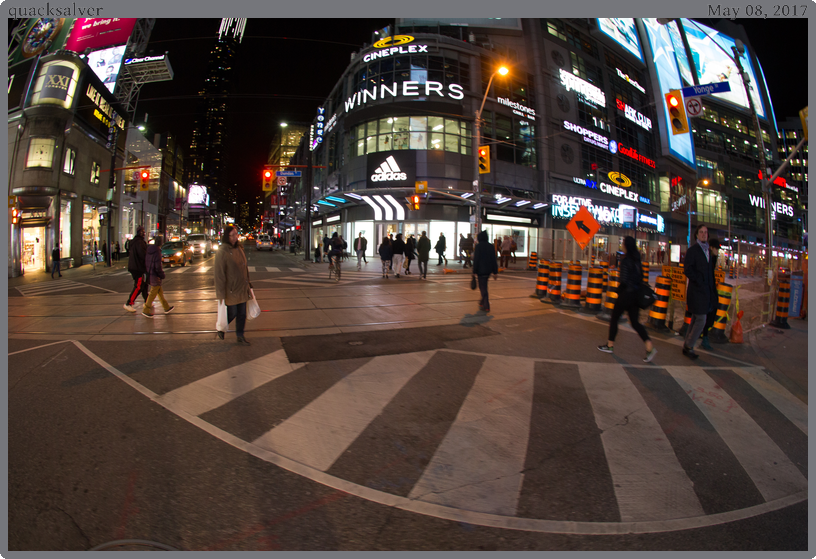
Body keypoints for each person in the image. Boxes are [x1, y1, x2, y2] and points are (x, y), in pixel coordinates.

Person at [597, 236, 658, 362]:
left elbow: (624, 281)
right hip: (635, 295)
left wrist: (617, 290)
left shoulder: (625, 260)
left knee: (614, 318)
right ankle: (649, 346)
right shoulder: (637, 259)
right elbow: (640, 277)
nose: (622, 246)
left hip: (626, 295)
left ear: (626, 246)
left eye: (623, 244)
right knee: (635, 322)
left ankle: (610, 345)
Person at [214, 226, 252, 345]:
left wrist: (249, 284)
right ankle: (221, 328)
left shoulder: (240, 248)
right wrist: (220, 293)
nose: (236, 237)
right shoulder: (222, 251)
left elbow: (244, 268)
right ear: (227, 236)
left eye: (236, 234)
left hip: (242, 287)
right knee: (233, 313)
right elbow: (219, 274)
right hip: (231, 289)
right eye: (233, 235)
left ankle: (240, 335)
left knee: (242, 314)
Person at [682, 225, 715, 359]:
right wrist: (699, 280)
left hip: (705, 291)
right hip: (696, 291)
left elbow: (710, 273)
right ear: (696, 235)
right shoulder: (693, 251)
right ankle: (689, 345)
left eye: (705, 232)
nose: (703, 234)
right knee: (701, 319)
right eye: (701, 232)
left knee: (696, 318)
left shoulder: (708, 251)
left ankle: (687, 345)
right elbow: (687, 270)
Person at [141, 235, 174, 318]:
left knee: (159, 292)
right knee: (153, 292)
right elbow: (158, 266)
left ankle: (166, 307)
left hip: (150, 273)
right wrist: (162, 274)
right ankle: (146, 309)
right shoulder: (157, 252)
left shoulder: (149, 250)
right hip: (155, 275)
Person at [699, 238, 722, 351]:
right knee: (706, 314)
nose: (718, 251)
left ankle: (702, 336)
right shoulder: (709, 258)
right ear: (712, 248)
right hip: (707, 290)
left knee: (706, 314)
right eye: (717, 248)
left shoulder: (712, 258)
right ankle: (704, 337)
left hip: (710, 289)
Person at [472, 230, 498, 312]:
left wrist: (474, 271)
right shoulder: (491, 246)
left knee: (483, 288)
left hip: (480, 270)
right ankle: (482, 302)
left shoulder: (478, 246)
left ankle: (486, 306)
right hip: (488, 270)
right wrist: (495, 272)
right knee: (484, 286)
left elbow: (476, 259)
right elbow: (494, 259)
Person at [124, 226, 148, 312]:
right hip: (138, 267)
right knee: (139, 286)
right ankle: (129, 303)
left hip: (134, 266)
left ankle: (147, 301)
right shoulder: (140, 243)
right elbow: (143, 255)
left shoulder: (134, 242)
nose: (144, 233)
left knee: (144, 285)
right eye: (143, 232)